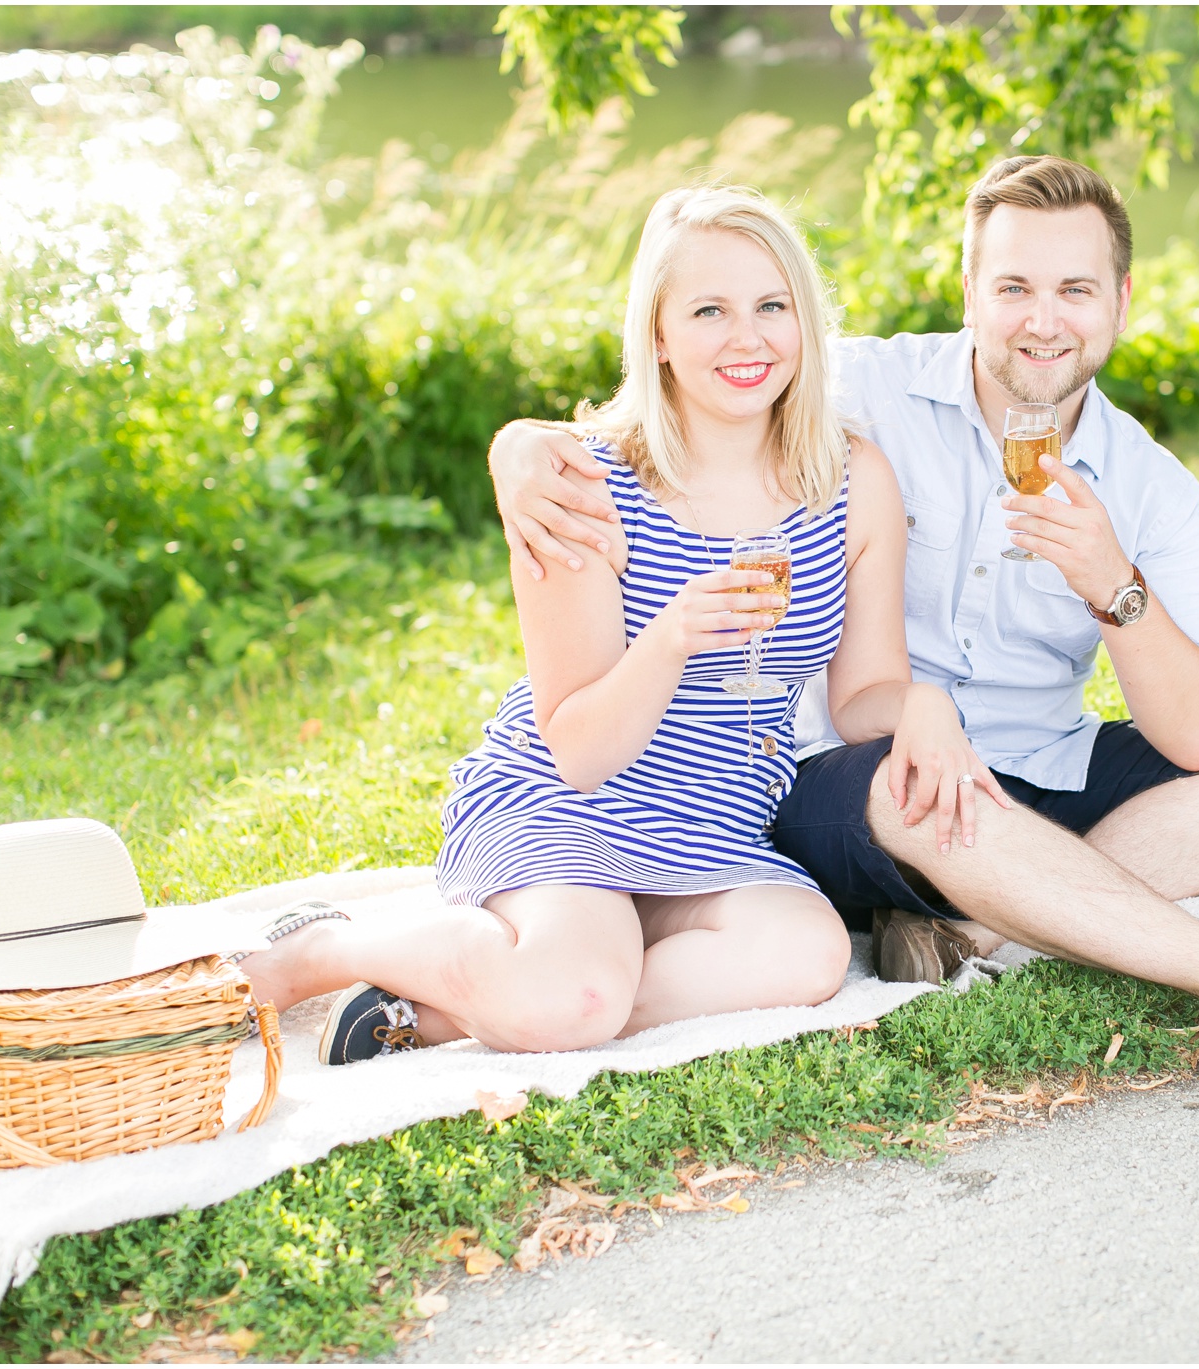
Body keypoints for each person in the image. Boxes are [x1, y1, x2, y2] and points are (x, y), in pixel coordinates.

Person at [487, 157, 1199, 1106]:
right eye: (1014, 288)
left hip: (1037, 768)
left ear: (1120, 301)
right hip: (863, 770)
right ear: (970, 293)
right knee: (920, 786)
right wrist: (518, 449)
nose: (1044, 320)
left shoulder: (1150, 484)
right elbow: (690, 400)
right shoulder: (860, 389)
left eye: (1074, 289)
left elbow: (1197, 734)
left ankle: (977, 930)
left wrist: (1112, 583)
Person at [240, 185, 1005, 1065]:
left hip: (716, 823)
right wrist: (675, 635)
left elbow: (865, 689)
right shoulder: (583, 484)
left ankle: (457, 1009)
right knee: (579, 994)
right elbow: (580, 751)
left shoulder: (851, 477)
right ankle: (325, 949)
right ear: (658, 334)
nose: (747, 338)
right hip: (570, 810)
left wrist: (924, 709)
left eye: (772, 306)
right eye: (709, 309)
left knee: (811, 952)